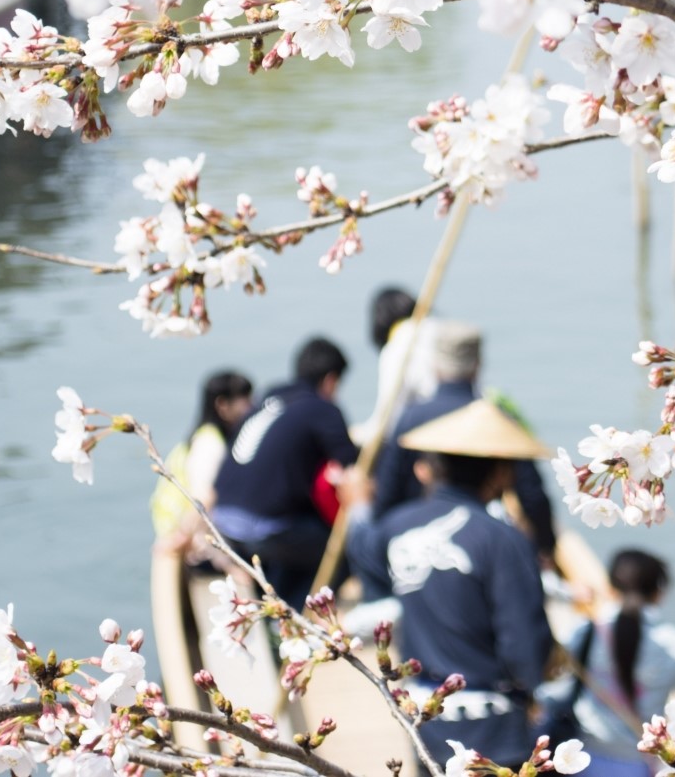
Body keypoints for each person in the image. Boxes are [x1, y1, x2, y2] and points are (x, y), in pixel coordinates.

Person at [344, 399, 555, 767]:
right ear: (501, 473)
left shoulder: (396, 526)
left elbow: (365, 555)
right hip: (492, 728)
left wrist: (359, 508)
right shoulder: (503, 540)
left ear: (433, 469)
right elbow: (526, 654)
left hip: (426, 720)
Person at [368, 321, 557, 576]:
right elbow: (531, 492)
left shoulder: (411, 419)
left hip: (413, 545)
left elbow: (387, 495)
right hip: (482, 548)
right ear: (477, 365)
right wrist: (545, 546)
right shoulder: (495, 417)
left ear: (435, 366)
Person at [544, 550, 675, 777]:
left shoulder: (584, 633)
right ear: (659, 593)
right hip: (640, 765)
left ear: (610, 587)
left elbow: (557, 690)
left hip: (584, 762)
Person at [211, 338, 357, 607]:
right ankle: (298, 616)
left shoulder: (267, 398)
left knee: (292, 542)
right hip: (264, 529)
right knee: (344, 550)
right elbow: (350, 465)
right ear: (330, 379)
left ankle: (277, 607)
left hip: (222, 519)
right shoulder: (322, 408)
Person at [151, 370, 254, 553]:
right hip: (189, 533)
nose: (251, 406)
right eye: (245, 400)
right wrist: (182, 537)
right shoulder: (210, 443)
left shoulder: (206, 435)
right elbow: (204, 498)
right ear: (223, 405)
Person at [353, 286, 438, 446]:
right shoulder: (437, 328)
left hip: (432, 434)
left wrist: (354, 435)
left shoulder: (397, 347)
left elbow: (388, 420)